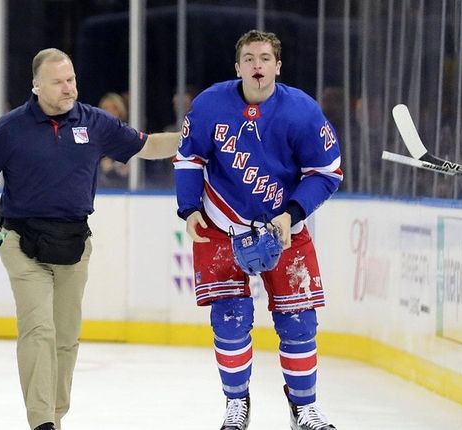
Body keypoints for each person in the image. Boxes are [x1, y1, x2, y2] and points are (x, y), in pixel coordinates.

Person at [0, 48, 180, 430]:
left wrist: (192, 141)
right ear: (37, 86)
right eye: (58, 82)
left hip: (73, 244)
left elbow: (147, 145)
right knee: (39, 330)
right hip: (22, 243)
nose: (69, 88)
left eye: (71, 79)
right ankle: (41, 423)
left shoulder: (95, 122)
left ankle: (54, 416)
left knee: (65, 339)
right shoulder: (11, 128)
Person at [173, 30, 342, 430]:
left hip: (284, 227)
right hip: (220, 227)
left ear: (278, 67)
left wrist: (292, 213)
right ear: (237, 67)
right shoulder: (210, 104)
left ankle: (303, 407)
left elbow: (327, 171)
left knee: (299, 320)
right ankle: (236, 403)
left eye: (265, 58)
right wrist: (189, 209)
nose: (257, 66)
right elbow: (188, 158)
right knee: (229, 319)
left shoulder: (302, 111)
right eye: (249, 58)